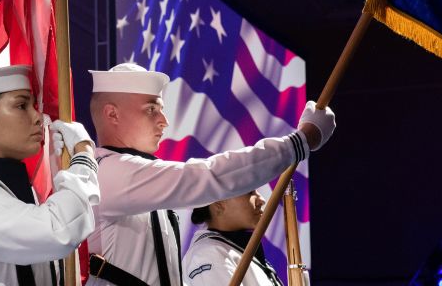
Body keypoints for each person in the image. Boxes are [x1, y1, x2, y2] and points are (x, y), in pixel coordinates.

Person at [84, 63, 335, 286]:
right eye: (151, 109)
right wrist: (299, 142)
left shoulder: (130, 176)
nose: (164, 121)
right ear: (112, 114)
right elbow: (207, 176)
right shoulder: (106, 173)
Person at [0, 65, 101, 286]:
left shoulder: (11, 186)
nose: (38, 117)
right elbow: (55, 232)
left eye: (33, 105)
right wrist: (84, 157)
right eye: (21, 105)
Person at [184, 191, 286, 285]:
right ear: (218, 204)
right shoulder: (207, 254)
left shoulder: (234, 249)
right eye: (249, 192)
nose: (261, 200)